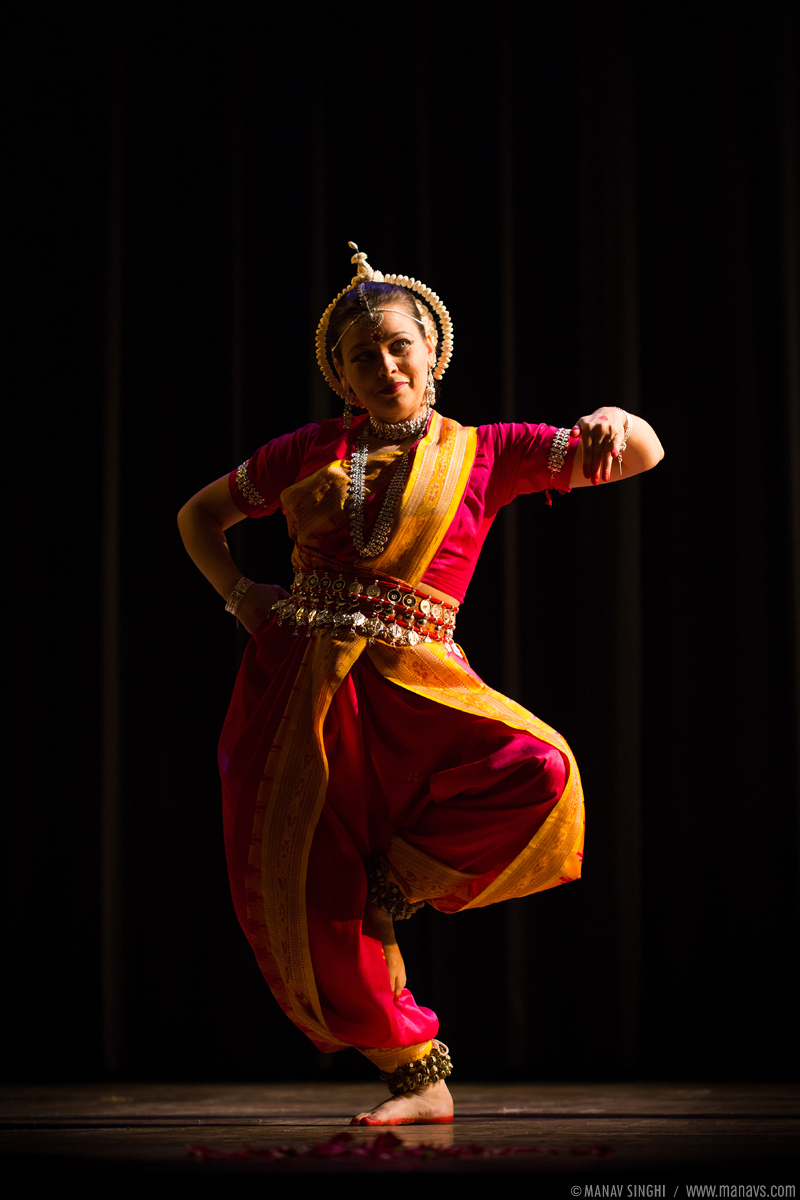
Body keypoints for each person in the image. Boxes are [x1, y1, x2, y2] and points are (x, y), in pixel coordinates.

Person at [177, 242, 664, 1127]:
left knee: (540, 768)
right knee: (307, 886)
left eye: (399, 345)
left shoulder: (489, 452)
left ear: (432, 354)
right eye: (363, 355)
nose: (385, 364)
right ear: (343, 377)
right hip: (297, 690)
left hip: (418, 682)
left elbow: (642, 455)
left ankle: (397, 879)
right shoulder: (305, 452)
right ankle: (418, 1079)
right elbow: (199, 516)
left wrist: (615, 415)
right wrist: (244, 597)